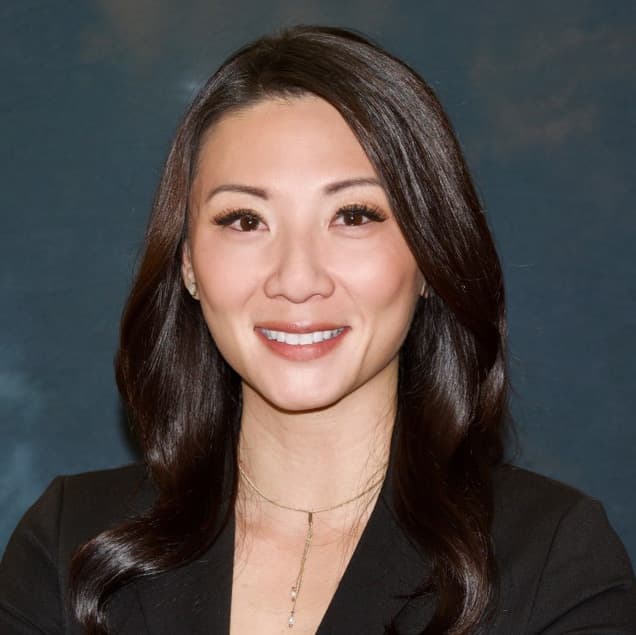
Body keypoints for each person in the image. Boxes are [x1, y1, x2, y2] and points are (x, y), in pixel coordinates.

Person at [1, 25, 634, 635]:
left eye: (353, 215)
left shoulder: (552, 560)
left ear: (428, 257)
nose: (297, 279)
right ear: (189, 263)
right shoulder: (68, 547)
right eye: (245, 220)